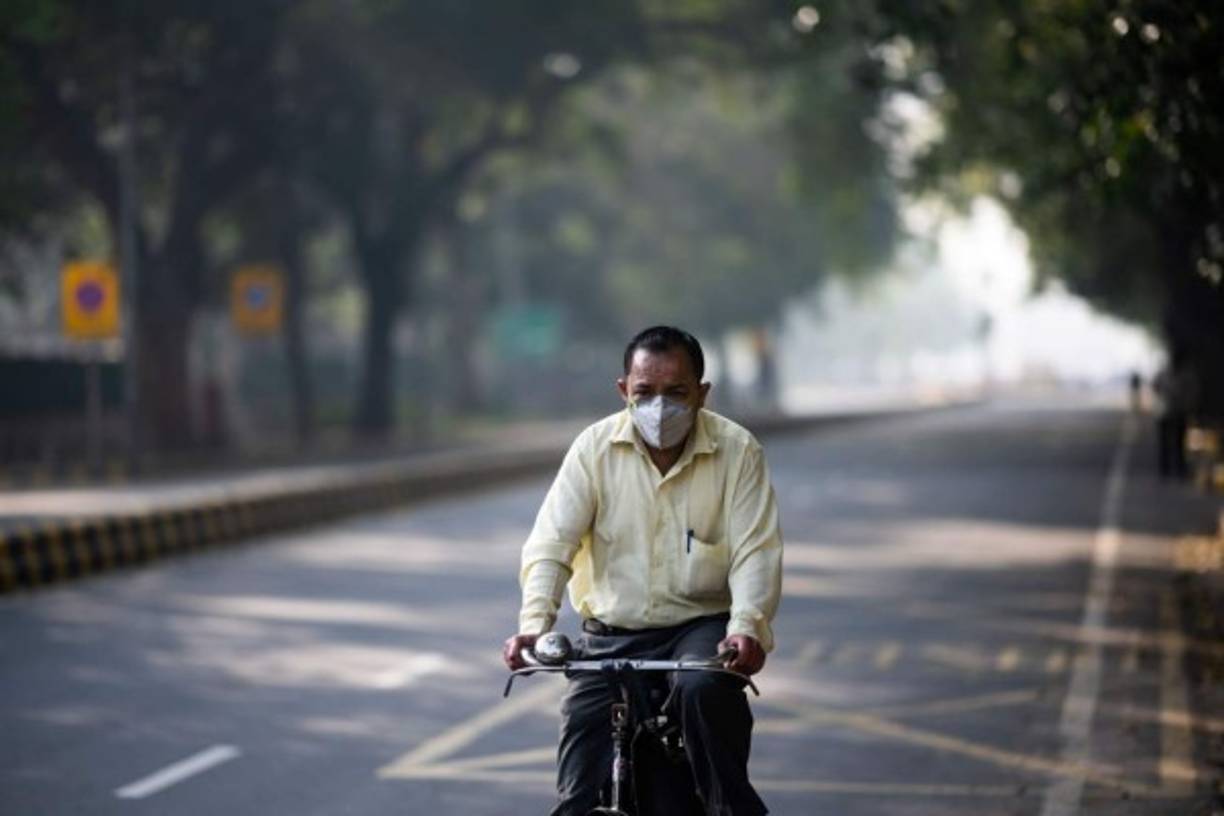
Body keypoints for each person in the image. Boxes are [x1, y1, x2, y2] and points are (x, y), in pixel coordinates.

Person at [503, 325, 783, 816]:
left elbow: (754, 552)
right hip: (609, 636)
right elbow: (552, 544)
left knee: (702, 692)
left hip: (699, 632)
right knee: (576, 789)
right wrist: (533, 627)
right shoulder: (593, 450)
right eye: (644, 392)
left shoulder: (737, 451)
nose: (660, 406)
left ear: (702, 392)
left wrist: (747, 628)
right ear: (623, 391)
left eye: (676, 392)